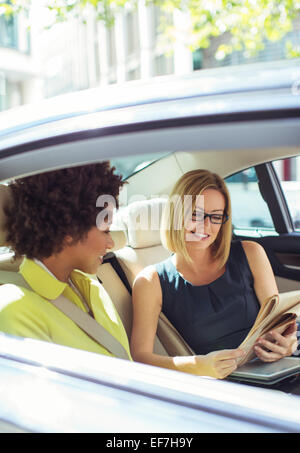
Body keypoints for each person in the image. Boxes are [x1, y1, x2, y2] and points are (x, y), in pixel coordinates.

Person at [130, 169, 297, 379]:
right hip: (220, 386)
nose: (206, 226)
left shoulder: (251, 253)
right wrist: (198, 366)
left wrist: (289, 344)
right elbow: (140, 357)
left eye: (216, 216)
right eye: (196, 215)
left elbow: (278, 323)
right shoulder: (151, 281)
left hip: (277, 370)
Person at [0, 162, 131, 360]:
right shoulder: (14, 310)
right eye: (105, 230)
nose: (111, 242)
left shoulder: (92, 287)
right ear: (69, 231)